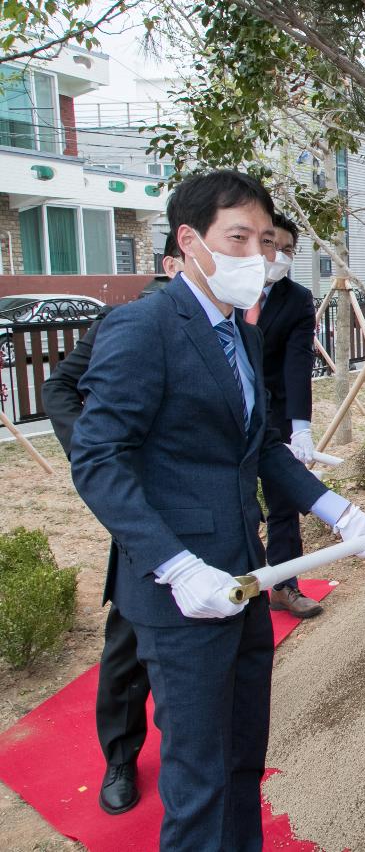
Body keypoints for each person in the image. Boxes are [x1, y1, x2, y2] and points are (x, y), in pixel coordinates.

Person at [70, 170, 365, 849]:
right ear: (190, 241)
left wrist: (338, 509)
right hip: (182, 597)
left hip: (245, 581)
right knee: (199, 780)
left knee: (244, 762)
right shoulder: (143, 328)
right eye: (237, 238)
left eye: (265, 241)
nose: (257, 256)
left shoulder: (238, 334)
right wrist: (178, 565)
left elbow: (261, 450)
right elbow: (97, 459)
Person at [41, 230, 183, 816]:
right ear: (177, 257)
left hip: (201, 497)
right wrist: (98, 455)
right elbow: (58, 387)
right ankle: (120, 755)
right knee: (131, 629)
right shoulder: (129, 321)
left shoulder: (229, 325)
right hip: (139, 500)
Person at [251, 214, 324, 618]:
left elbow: (298, 365)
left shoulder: (295, 299)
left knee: (284, 503)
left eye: (289, 250)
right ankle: (240, 585)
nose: (279, 256)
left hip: (276, 414)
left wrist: (301, 430)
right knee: (239, 506)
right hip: (226, 419)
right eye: (271, 245)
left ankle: (284, 585)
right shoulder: (224, 291)